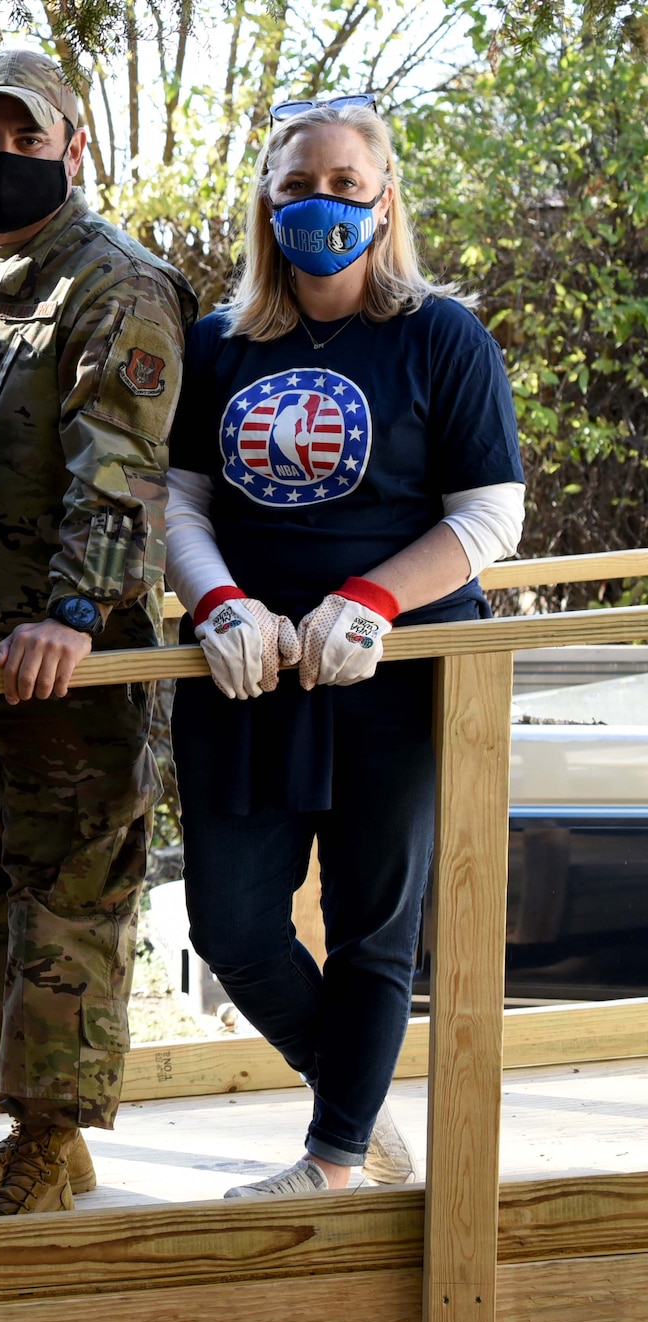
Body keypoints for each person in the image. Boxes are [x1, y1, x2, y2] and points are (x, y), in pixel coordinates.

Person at [166, 98, 523, 1196]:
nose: (318, 203)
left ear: (382, 198)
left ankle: (328, 1159)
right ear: (264, 203)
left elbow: (489, 514)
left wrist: (372, 598)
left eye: (342, 182)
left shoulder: (438, 334)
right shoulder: (217, 344)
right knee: (229, 923)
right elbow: (175, 503)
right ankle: (356, 1110)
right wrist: (217, 601)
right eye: (295, 185)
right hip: (246, 672)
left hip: (393, 671)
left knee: (375, 927)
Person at [0, 50, 196, 1218]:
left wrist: (72, 611)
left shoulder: (113, 283)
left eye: (25, 138)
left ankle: (50, 1136)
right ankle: (20, 1123)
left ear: (70, 147)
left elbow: (120, 466)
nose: (1, 157)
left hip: (65, 658)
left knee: (68, 890)